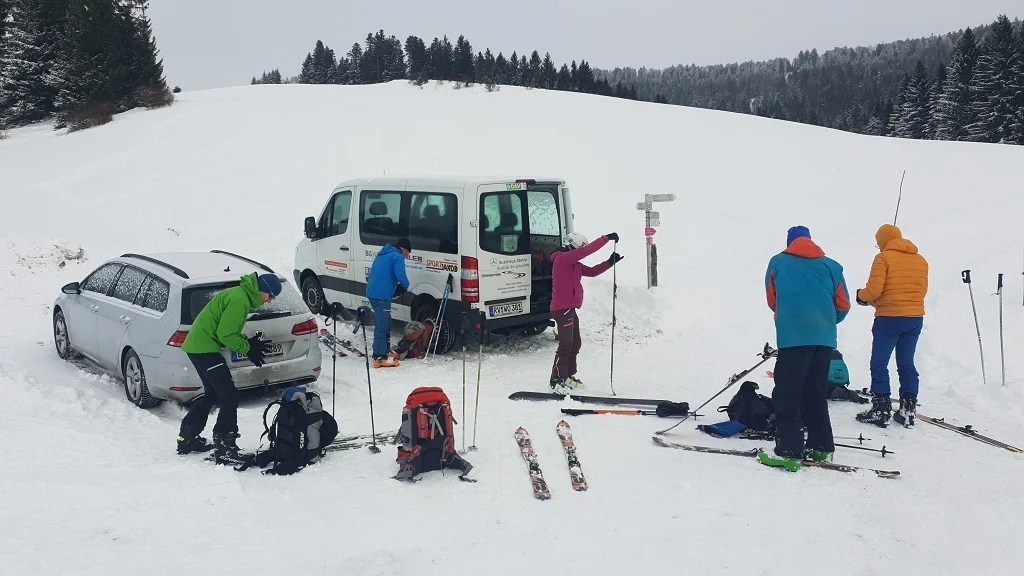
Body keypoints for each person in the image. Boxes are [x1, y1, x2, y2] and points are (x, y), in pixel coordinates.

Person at [759, 225, 850, 471]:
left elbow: (772, 299)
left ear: (789, 242)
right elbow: (843, 304)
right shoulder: (832, 266)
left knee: (787, 393)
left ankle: (789, 451)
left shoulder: (778, 263)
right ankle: (822, 447)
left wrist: (790, 316)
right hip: (824, 339)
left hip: (793, 337)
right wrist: (825, 323)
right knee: (815, 392)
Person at [176, 272, 281, 463]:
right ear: (262, 290)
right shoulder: (240, 300)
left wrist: (247, 343)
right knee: (229, 396)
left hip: (199, 346)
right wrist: (247, 347)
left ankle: (188, 438)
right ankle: (225, 445)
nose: (270, 301)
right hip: (204, 349)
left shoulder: (239, 294)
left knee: (213, 394)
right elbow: (225, 334)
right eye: (271, 296)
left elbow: (227, 331)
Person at [854, 224, 928, 428]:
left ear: (884, 241)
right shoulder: (920, 260)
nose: (878, 247)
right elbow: (921, 290)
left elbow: (874, 290)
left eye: (878, 243)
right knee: (906, 363)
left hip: (889, 318)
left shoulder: (883, 258)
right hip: (914, 318)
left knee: (879, 363)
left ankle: (881, 408)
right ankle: (908, 410)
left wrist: (861, 296)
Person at [548, 231, 622, 393]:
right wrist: (606, 239)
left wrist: (609, 262)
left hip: (570, 309)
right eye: (580, 248)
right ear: (573, 246)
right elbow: (586, 251)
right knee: (566, 344)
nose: (582, 251)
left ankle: (567, 376)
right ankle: (556, 379)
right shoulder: (562, 259)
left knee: (575, 343)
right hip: (562, 309)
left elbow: (593, 271)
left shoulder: (574, 264)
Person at [366, 238, 411, 368]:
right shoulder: (397, 256)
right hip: (381, 295)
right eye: (407, 253)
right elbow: (400, 274)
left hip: (374, 293)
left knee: (386, 322)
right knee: (381, 325)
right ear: (403, 249)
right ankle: (379, 357)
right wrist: (405, 286)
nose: (407, 257)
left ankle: (385, 350)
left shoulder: (384, 253)